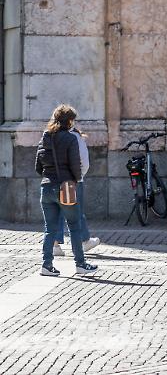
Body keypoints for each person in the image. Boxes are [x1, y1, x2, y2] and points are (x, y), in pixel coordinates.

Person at [35, 104, 97, 276]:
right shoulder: (70, 138)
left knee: (50, 229)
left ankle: (46, 265)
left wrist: (49, 176)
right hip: (65, 187)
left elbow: (38, 167)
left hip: (46, 187)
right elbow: (76, 166)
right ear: (69, 121)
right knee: (74, 226)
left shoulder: (44, 138)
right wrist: (75, 181)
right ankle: (80, 264)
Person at [53, 126, 100, 256]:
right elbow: (84, 162)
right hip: (72, 179)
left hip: (54, 179)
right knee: (75, 211)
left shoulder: (51, 135)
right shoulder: (75, 136)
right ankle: (84, 241)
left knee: (57, 211)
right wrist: (78, 177)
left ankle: (54, 244)